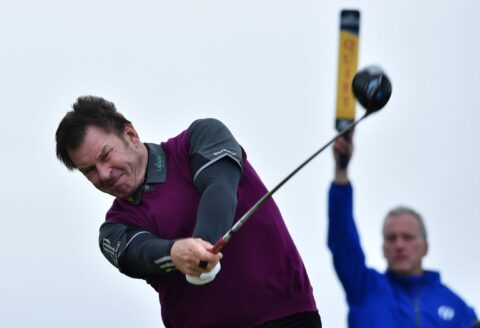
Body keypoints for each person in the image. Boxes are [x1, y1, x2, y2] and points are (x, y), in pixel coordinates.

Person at [55, 95, 321, 328]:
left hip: (285, 317)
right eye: (89, 170)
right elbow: (140, 254)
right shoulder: (113, 230)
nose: (103, 174)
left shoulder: (200, 137)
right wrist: (176, 254)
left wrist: (202, 245)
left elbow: (219, 187)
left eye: (105, 155)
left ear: (131, 135)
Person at [328, 133, 478, 327]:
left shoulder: (457, 308)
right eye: (391, 238)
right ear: (383, 248)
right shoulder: (365, 288)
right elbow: (343, 240)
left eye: (407, 238)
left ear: (425, 247)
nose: (399, 245)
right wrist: (341, 172)